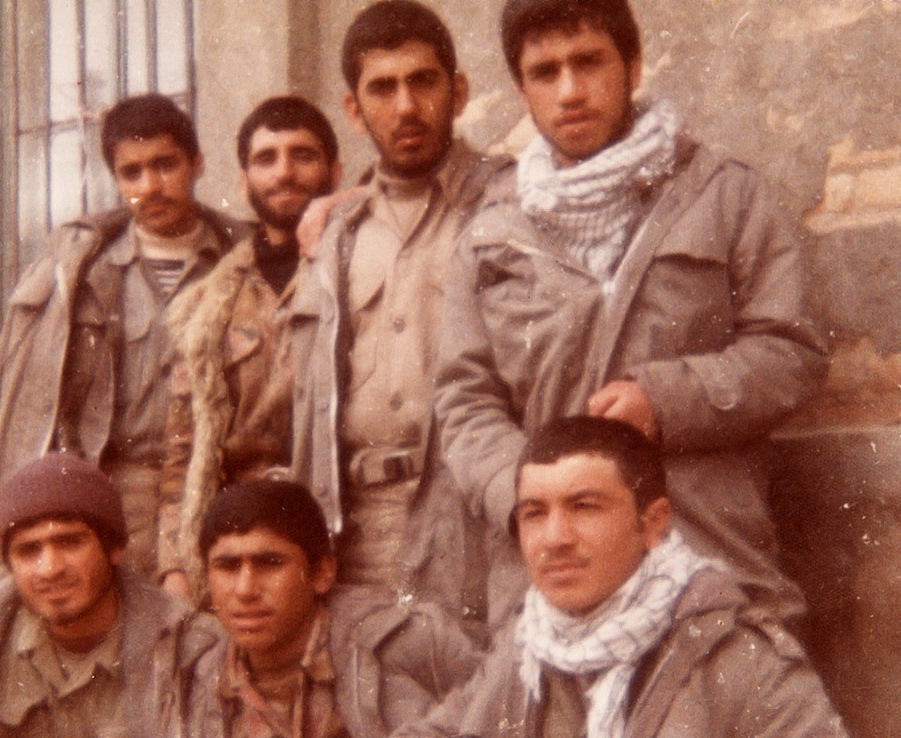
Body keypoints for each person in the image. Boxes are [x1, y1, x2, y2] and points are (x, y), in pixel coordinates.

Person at [435, 0, 828, 622]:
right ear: (521, 89)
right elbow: (464, 400)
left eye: (589, 62)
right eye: (545, 72)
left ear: (634, 66)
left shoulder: (726, 196)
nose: (569, 91)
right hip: (552, 580)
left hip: (703, 558)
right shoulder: (489, 234)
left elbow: (791, 353)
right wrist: (537, 500)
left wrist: (665, 400)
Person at [0, 93, 247, 585]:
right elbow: (4, 403)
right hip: (106, 497)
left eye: (165, 165)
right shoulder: (80, 272)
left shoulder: (240, 263)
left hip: (210, 493)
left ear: (197, 164)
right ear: (116, 179)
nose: (150, 185)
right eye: (132, 172)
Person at [396, 416, 847, 738]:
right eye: (534, 513)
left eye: (584, 507)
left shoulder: (739, 662)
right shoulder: (525, 648)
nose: (555, 538)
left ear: (652, 524)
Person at [290, 0, 512, 618]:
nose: (406, 106)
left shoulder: (509, 203)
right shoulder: (337, 232)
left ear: (458, 91)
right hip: (354, 531)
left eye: (423, 81)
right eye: (382, 89)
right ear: (353, 110)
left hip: (468, 514)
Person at [161, 96, 341, 594]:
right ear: (243, 181)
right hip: (244, 541)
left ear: (335, 171)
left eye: (303, 155)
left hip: (340, 524)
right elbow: (182, 450)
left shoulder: (358, 267)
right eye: (266, 158)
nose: (284, 172)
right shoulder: (207, 306)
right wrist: (176, 566)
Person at [0, 453, 194, 737]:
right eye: (28, 550)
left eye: (70, 542)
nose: (50, 569)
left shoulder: (186, 650)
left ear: (113, 549)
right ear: (10, 566)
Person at [179, 479, 482, 738]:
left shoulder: (398, 642)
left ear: (322, 573)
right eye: (227, 566)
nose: (245, 589)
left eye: (270, 563)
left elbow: (498, 703)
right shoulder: (195, 685)